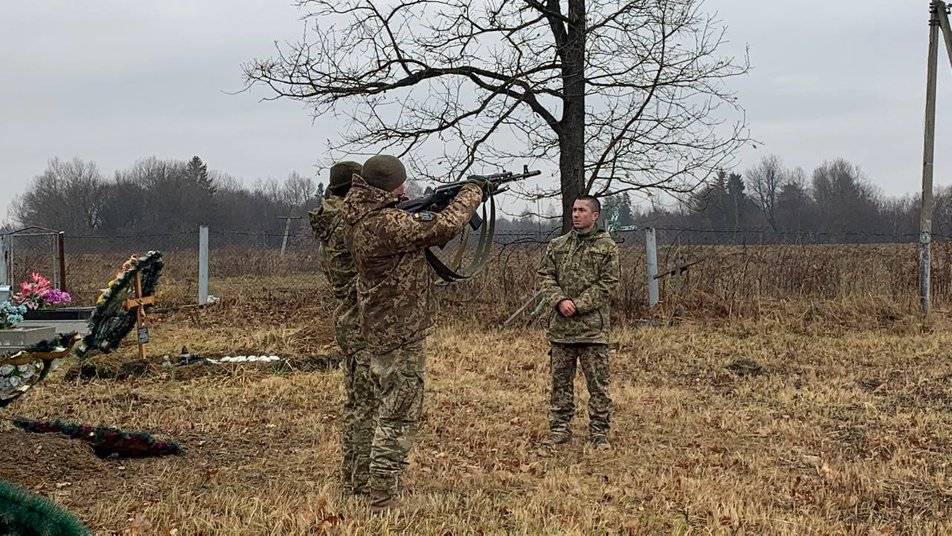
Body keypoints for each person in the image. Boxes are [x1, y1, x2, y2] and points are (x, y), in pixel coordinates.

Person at [341, 154, 487, 509]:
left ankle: (361, 483)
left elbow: (415, 226)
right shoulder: (386, 224)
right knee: (399, 411)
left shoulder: (359, 215)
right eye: (401, 184)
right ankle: (382, 497)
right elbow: (445, 227)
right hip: (400, 328)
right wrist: (472, 193)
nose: (405, 189)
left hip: (380, 325)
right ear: (392, 186)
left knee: (377, 406)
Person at [307, 161, 374, 496]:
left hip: (349, 320)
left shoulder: (331, 221)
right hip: (363, 322)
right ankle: (361, 482)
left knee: (355, 404)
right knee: (367, 406)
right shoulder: (347, 224)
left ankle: (352, 476)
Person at [536, 195, 620, 449]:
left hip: (592, 331)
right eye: (573, 209)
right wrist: (560, 301)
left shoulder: (607, 247)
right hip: (561, 330)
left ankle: (599, 433)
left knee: (598, 387)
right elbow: (545, 276)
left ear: (595, 215)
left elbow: (608, 283)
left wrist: (579, 304)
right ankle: (559, 429)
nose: (576, 214)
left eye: (582, 210)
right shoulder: (557, 245)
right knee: (560, 385)